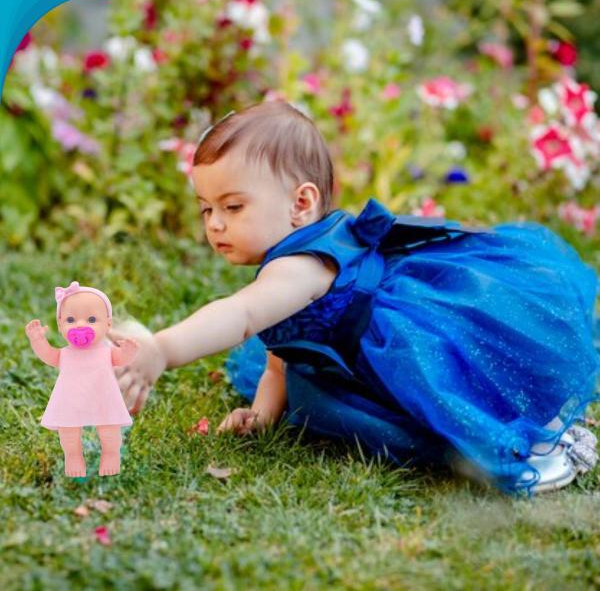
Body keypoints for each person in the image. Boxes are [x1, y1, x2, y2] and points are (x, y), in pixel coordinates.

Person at [109, 101, 600, 494]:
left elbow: (240, 316)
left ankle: (537, 447)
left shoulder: (298, 268)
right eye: (206, 209)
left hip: (397, 347)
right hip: (354, 348)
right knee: (341, 391)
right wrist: (261, 416)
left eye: (233, 206)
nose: (215, 224)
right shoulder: (291, 256)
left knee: (446, 409)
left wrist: (162, 349)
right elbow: (280, 358)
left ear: (300, 203)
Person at [26, 281, 139, 477]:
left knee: (109, 429)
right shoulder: (64, 353)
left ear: (108, 325)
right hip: (71, 398)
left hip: (102, 395)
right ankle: (73, 456)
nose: (80, 325)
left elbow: (121, 359)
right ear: (60, 325)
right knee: (68, 431)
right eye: (71, 320)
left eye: (92, 319)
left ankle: (111, 455)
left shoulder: (106, 352)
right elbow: (48, 355)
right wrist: (38, 341)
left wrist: (129, 351)